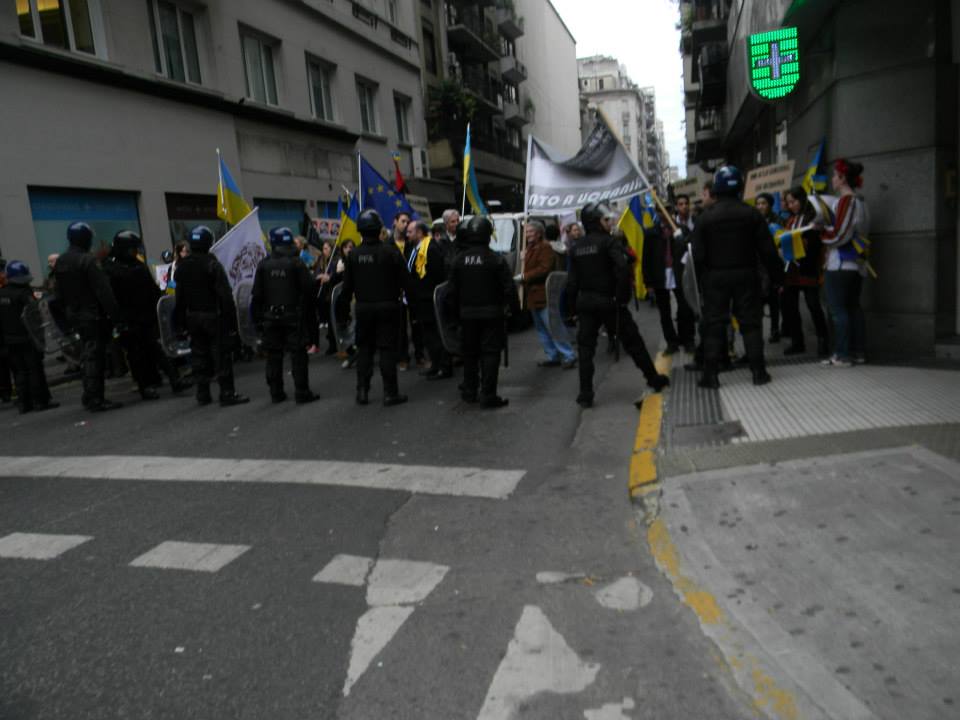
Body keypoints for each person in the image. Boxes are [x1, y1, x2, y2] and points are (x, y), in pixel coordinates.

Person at [566, 202, 669, 408]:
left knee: (586, 350)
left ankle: (585, 394)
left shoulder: (576, 248)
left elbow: (572, 282)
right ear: (596, 222)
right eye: (606, 219)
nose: (610, 222)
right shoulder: (609, 242)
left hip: (587, 304)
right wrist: (621, 298)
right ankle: (653, 379)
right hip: (609, 303)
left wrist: (571, 310)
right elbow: (622, 268)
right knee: (634, 342)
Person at [691, 166, 782, 389]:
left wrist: (702, 282)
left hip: (715, 278)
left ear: (717, 189)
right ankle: (758, 372)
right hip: (746, 275)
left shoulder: (705, 218)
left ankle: (711, 376)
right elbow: (768, 251)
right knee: (750, 324)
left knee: (714, 325)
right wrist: (778, 277)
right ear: (740, 187)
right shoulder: (752, 214)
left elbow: (697, 255)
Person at [104, 230, 190, 400]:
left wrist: (159, 305)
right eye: (132, 249)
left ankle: (174, 380)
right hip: (128, 319)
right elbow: (110, 297)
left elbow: (152, 289)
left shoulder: (137, 265)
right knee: (135, 355)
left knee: (157, 349)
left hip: (145, 317)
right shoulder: (112, 269)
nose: (135, 252)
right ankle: (145, 387)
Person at [336, 209, 409, 406]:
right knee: (387, 350)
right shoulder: (391, 252)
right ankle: (390, 393)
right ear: (379, 229)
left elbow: (346, 288)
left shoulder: (353, 255)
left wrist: (342, 314)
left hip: (363, 308)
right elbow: (406, 280)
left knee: (365, 350)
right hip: (388, 307)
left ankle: (362, 391)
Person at [446, 216, 519, 408]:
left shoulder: (459, 260)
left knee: (470, 354)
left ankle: (470, 391)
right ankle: (488, 395)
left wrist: (454, 317)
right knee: (490, 354)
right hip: (492, 315)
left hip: (467, 316)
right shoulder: (496, 259)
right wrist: (514, 311)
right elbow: (509, 289)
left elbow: (451, 292)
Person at [174, 225, 249, 407]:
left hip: (192, 317)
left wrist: (180, 323)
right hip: (213, 316)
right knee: (221, 355)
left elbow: (179, 297)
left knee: (199, 355)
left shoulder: (182, 267)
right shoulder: (212, 265)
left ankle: (203, 393)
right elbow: (225, 296)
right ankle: (227, 393)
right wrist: (232, 323)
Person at [53, 221, 123, 411]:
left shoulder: (61, 261)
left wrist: (66, 316)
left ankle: (89, 395)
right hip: (92, 315)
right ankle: (95, 398)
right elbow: (104, 292)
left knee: (87, 354)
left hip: (75, 315)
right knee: (95, 356)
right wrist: (116, 316)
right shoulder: (87, 261)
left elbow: (58, 294)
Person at [252, 227, 319, 404]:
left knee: (274, 356)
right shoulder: (296, 263)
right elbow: (309, 288)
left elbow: (257, 295)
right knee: (298, 355)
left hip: (270, 316)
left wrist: (258, 321)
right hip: (293, 315)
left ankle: (276, 393)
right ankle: (302, 392)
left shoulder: (264, 264)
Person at [819, 159, 869, 367]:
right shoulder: (861, 202)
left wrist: (821, 232)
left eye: (834, 175)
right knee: (853, 307)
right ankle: (857, 352)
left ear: (842, 178)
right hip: (856, 263)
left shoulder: (847, 201)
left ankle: (842, 354)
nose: (832, 179)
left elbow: (841, 234)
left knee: (838, 310)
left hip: (840, 263)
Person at [0, 261, 58, 414]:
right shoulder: (24, 293)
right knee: (34, 369)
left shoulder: (2, 293)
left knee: (19, 371)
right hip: (27, 337)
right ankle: (40, 401)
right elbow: (34, 315)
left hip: (10, 340)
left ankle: (24, 403)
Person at [781, 186, 829, 356]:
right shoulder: (791, 220)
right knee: (791, 306)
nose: (791, 205)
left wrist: (805, 241)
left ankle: (823, 340)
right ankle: (797, 342)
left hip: (808, 266)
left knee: (813, 304)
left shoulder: (813, 218)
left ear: (802, 199)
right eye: (788, 203)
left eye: (793, 201)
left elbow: (818, 243)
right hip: (791, 267)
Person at [522, 220, 576, 369]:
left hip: (544, 293)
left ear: (539, 233)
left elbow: (544, 269)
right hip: (533, 295)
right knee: (542, 329)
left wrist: (525, 276)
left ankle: (568, 354)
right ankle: (553, 355)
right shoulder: (529, 248)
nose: (528, 235)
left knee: (554, 326)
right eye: (527, 232)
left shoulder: (545, 247)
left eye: (531, 231)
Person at [406, 220, 452, 379]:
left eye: (410, 231)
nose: (407, 235)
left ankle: (444, 366)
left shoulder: (431, 248)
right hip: (421, 300)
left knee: (436, 333)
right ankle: (435, 364)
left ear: (419, 233)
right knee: (428, 335)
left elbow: (438, 275)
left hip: (430, 300)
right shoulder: (415, 249)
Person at [643, 214, 695, 354]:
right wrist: (648, 282)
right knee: (664, 313)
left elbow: (690, 251)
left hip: (679, 274)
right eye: (662, 210)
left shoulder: (682, 230)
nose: (665, 214)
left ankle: (688, 340)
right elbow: (646, 258)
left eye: (668, 209)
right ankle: (672, 343)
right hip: (660, 276)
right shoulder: (651, 233)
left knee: (685, 308)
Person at [755, 192, 783, 343]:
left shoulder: (777, 220)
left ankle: (775, 329)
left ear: (770, 205)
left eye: (763, 203)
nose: (760, 206)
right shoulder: (754, 220)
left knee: (774, 300)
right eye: (758, 204)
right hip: (758, 266)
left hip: (772, 265)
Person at [314, 240, 337, 355]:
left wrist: (329, 277)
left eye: (326, 248)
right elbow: (316, 272)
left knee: (333, 320)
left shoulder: (335, 260)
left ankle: (334, 344)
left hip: (331, 293)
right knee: (327, 318)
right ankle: (332, 342)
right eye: (323, 248)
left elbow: (336, 274)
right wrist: (319, 276)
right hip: (323, 293)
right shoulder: (321, 259)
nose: (324, 251)